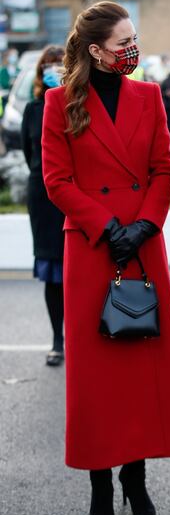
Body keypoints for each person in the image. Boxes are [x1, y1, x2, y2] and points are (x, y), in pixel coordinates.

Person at [41, 1, 170, 515]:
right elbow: (56, 181)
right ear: (96, 50)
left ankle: (136, 475)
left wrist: (145, 226)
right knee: (97, 376)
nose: (132, 49)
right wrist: (108, 228)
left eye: (135, 38)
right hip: (92, 245)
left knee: (138, 369)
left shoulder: (148, 96)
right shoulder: (59, 102)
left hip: (142, 244)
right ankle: (100, 482)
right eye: (123, 41)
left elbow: (162, 169)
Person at [21, 45, 66, 366]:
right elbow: (30, 155)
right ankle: (57, 340)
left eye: (61, 64)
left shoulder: (78, 105)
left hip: (76, 196)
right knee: (52, 272)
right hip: (43, 198)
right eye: (49, 65)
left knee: (80, 271)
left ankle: (82, 337)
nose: (55, 69)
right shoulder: (33, 110)